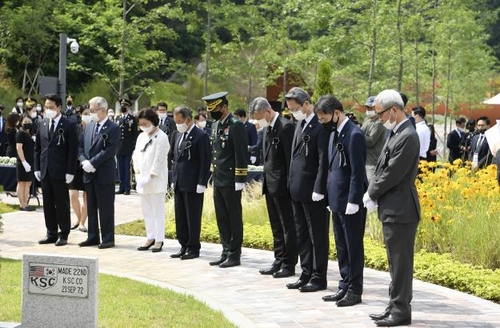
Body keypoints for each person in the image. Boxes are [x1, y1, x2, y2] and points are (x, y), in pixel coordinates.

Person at [362, 89, 420, 327]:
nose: (379, 119)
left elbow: (392, 173)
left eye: (381, 114)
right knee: (395, 262)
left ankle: (400, 312)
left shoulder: (407, 136)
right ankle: (393, 305)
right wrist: (373, 191)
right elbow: (380, 167)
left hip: (401, 209)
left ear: (394, 110)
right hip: (394, 207)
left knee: (401, 263)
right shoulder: (397, 133)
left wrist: (371, 192)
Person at [316, 95, 367, 307]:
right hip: (336, 200)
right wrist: (328, 196)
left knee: (353, 246)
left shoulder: (354, 134)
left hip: (350, 201)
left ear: (336, 113)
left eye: (324, 117)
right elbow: (331, 169)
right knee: (341, 246)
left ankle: (355, 290)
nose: (322, 122)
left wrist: (354, 200)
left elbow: (356, 170)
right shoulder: (334, 133)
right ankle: (344, 284)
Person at [285, 87, 329, 293]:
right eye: (290, 109)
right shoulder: (300, 124)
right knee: (302, 233)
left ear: (306, 104)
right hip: (297, 190)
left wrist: (319, 188)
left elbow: (322, 161)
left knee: (316, 235)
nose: (293, 112)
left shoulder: (319, 127)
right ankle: (306, 272)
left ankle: (319, 276)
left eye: (295, 108)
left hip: (313, 191)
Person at [249, 97, 297, 278]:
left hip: (282, 187)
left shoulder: (285, 127)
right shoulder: (267, 128)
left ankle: (288, 263)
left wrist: (287, 186)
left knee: (287, 226)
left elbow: (288, 161)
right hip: (269, 184)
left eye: (260, 117)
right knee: (276, 226)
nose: (258, 121)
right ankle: (278, 259)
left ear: (268, 112)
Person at [203, 91, 248, 268]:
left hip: (231, 179)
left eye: (215, 109)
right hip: (219, 178)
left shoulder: (235, 125)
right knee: (221, 216)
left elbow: (241, 153)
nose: (212, 113)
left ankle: (234, 254)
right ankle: (225, 250)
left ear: (224, 107)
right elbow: (216, 153)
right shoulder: (215, 125)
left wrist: (240, 177)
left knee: (233, 217)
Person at [34, 94, 78, 246]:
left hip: (61, 171)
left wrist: (70, 171)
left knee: (61, 203)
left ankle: (63, 233)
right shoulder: (42, 123)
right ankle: (51, 232)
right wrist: (37, 168)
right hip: (45, 169)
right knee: (47, 203)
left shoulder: (69, 124)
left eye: (51, 107)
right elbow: (38, 148)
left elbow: (72, 150)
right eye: (46, 107)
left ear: (59, 107)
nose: (48, 110)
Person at [169, 106, 211, 259]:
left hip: (193, 183)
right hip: (180, 182)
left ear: (187, 119)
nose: (177, 124)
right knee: (180, 216)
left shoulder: (201, 136)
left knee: (192, 216)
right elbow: (175, 159)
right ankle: (183, 244)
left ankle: (193, 248)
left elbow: (205, 160)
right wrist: (174, 179)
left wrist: (202, 181)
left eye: (179, 121)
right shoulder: (178, 135)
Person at [78, 96, 120, 249]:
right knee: (91, 207)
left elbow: (109, 150)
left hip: (104, 173)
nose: (91, 113)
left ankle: (108, 238)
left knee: (106, 207)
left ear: (102, 110)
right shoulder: (89, 126)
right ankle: (93, 236)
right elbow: (81, 146)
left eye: (94, 110)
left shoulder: (113, 128)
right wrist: (83, 161)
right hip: (89, 173)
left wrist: (93, 162)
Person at [132, 108, 170, 253]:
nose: (143, 126)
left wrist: (150, 176)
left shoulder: (162, 137)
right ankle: (150, 236)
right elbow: (135, 155)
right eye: (141, 124)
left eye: (146, 123)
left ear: (153, 122)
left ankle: (159, 240)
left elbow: (159, 159)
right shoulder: (141, 136)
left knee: (157, 211)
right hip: (142, 179)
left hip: (155, 180)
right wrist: (138, 174)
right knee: (147, 211)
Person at [69, 108, 90, 232]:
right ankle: (78, 218)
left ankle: (82, 222)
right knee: (73, 195)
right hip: (75, 165)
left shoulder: (93, 128)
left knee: (87, 197)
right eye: (85, 114)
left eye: (89, 114)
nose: (87, 116)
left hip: (88, 165)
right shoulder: (75, 128)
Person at [116, 98, 138, 195]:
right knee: (120, 168)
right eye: (122, 105)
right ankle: (121, 187)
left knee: (127, 168)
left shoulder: (133, 119)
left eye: (125, 106)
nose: (123, 107)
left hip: (129, 147)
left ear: (128, 107)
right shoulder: (117, 119)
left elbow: (135, 134)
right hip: (119, 148)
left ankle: (127, 187)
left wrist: (134, 147)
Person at [361, 96, 386, 183]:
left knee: (371, 189)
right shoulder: (367, 120)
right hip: (364, 160)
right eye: (367, 107)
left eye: (371, 107)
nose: (369, 109)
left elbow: (371, 141)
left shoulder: (379, 123)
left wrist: (357, 133)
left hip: (372, 163)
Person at [15, 114, 35, 211]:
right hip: (23, 162)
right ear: (21, 123)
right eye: (25, 122)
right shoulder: (20, 133)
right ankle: (22, 205)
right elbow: (19, 148)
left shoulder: (30, 134)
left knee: (28, 183)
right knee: (22, 183)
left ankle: (26, 204)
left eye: (29, 122)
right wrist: (24, 162)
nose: (27, 124)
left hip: (30, 162)